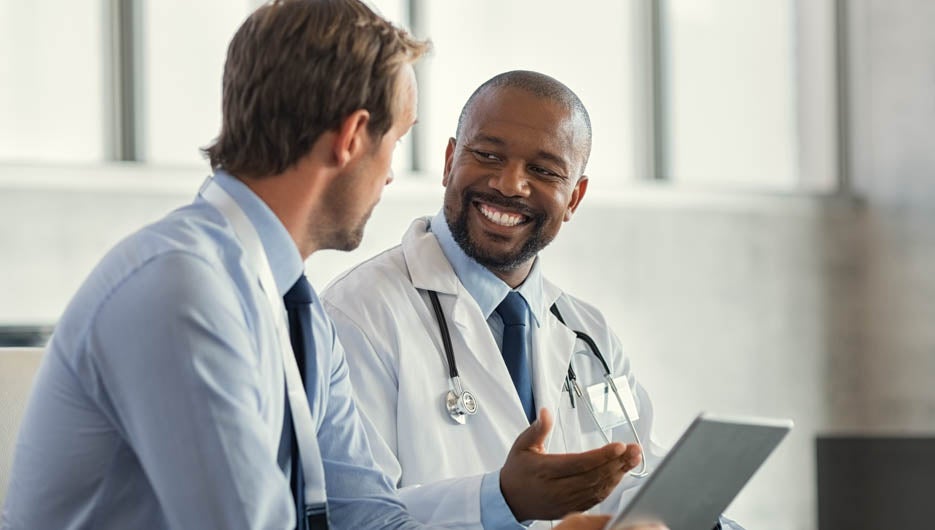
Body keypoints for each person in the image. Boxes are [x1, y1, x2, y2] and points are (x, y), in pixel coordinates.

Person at [0, 1, 431, 528]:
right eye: (396, 140)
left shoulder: (301, 317)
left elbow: (369, 517)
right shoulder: (180, 291)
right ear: (352, 137)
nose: (390, 175)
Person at [321, 71, 740, 529]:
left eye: (543, 170)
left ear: (574, 198)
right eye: (487, 155)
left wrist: (702, 520)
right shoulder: (359, 314)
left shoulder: (588, 336)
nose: (509, 184)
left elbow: (633, 475)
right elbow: (354, 515)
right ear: (449, 161)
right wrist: (500, 500)